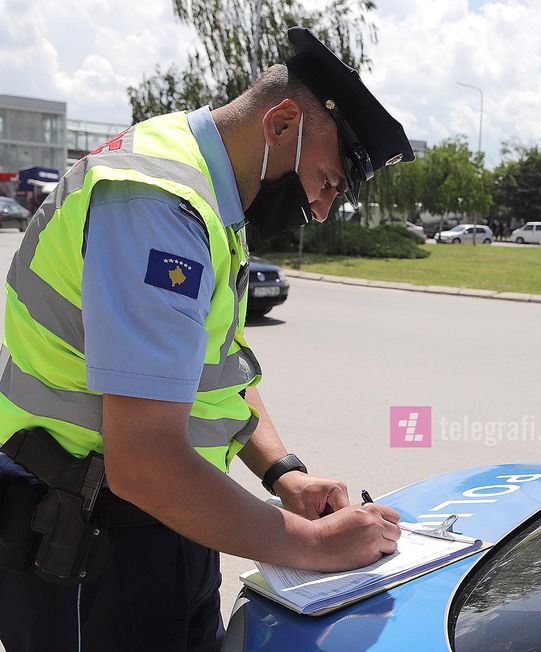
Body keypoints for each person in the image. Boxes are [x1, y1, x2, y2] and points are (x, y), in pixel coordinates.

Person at [0, 27, 411, 652]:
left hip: (171, 516)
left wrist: (283, 475)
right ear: (281, 124)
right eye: (327, 181)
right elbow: (144, 460)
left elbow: (214, 369)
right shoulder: (159, 205)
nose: (323, 210)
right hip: (91, 543)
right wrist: (317, 545)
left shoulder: (205, 193)